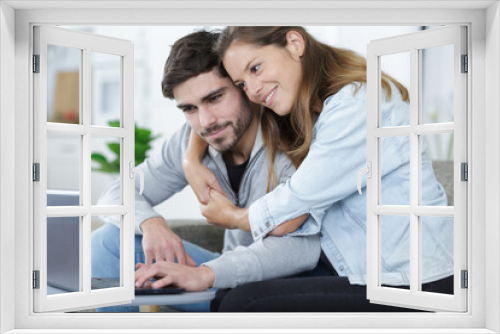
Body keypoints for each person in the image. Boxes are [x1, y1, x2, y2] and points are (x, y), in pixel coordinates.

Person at [183, 26, 454, 312]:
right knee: (227, 294)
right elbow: (217, 114)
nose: (252, 90)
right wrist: (191, 160)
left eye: (256, 68)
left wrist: (232, 217)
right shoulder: (308, 106)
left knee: (243, 302)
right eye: (241, 84)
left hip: (415, 281)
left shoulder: (357, 105)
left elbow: (288, 215)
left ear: (294, 43)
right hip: (352, 270)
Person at [91, 30, 321, 313]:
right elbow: (114, 192)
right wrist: (151, 223)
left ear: (243, 85)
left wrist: (208, 273)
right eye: (189, 108)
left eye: (214, 98)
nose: (205, 121)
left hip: (293, 284)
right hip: (227, 277)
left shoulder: (293, 137)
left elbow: (300, 250)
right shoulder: (189, 141)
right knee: (108, 243)